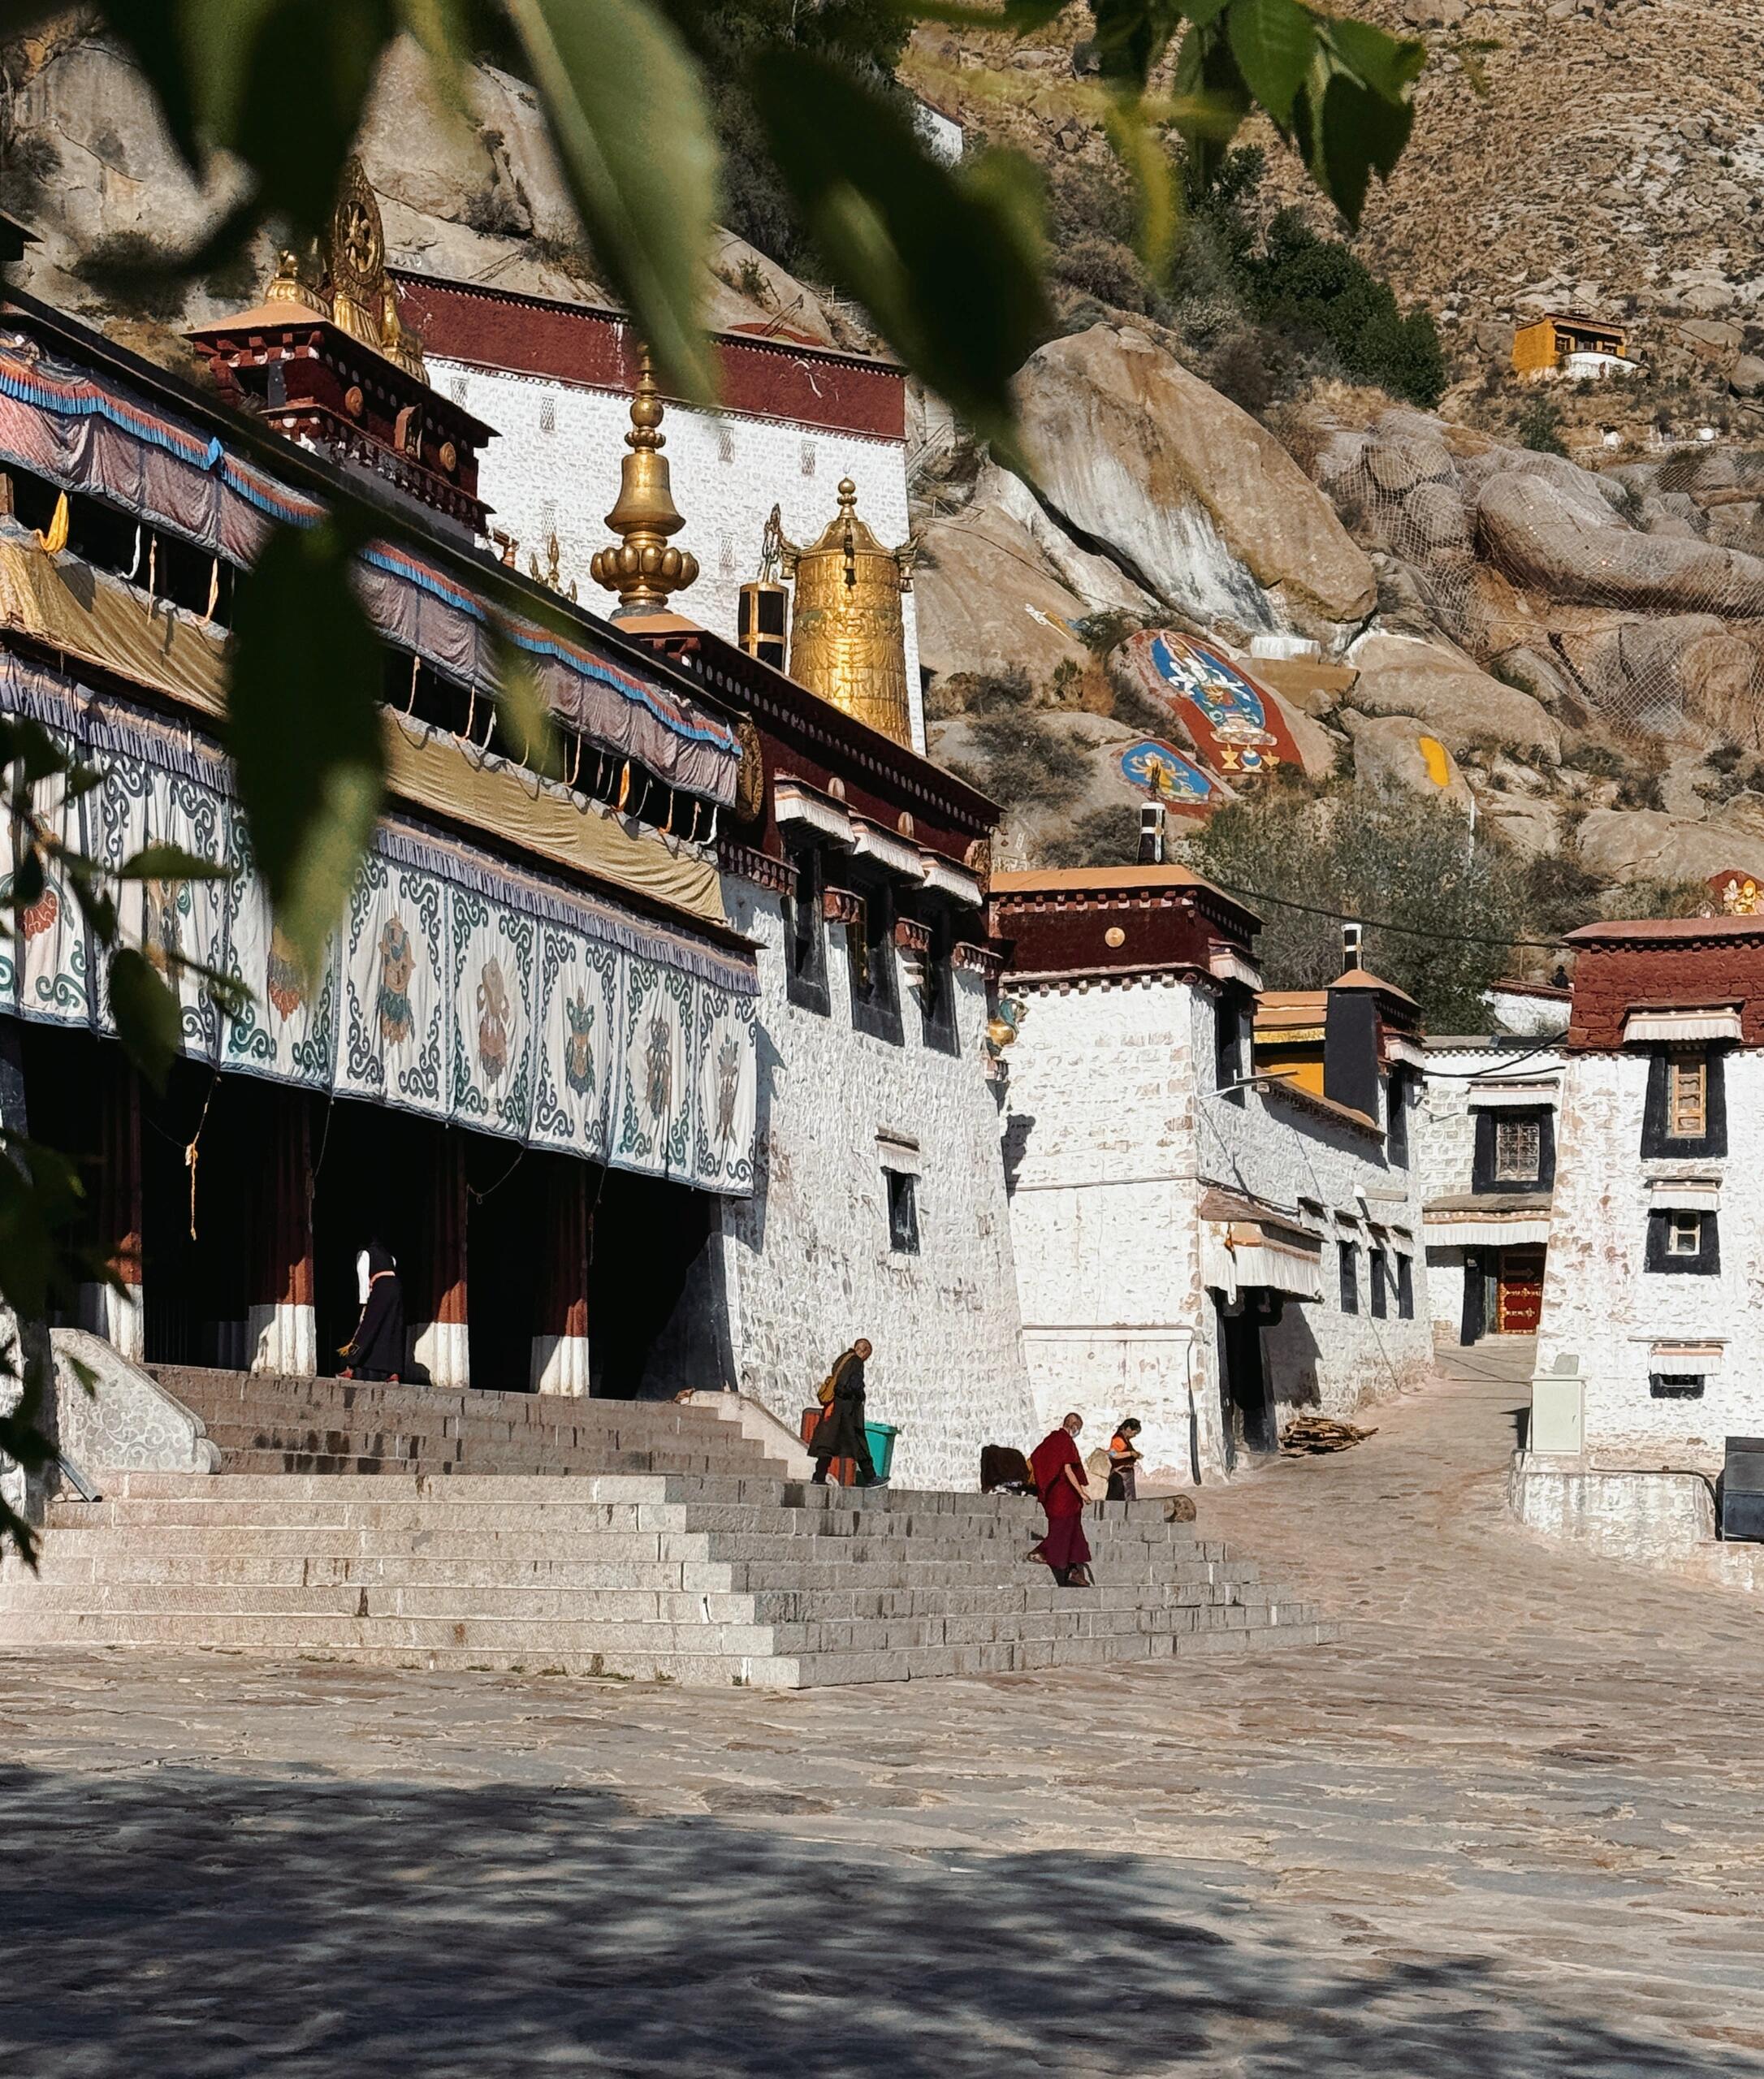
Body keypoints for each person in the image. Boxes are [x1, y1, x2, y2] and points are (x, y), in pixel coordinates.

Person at [1029, 1411, 1093, 1587]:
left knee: (1072, 1532)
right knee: (1063, 1532)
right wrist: (1081, 1493)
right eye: (1078, 1429)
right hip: (1064, 1495)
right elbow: (1067, 1469)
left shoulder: (1051, 1439)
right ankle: (1041, 1552)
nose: (1077, 1432)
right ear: (1074, 1427)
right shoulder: (1064, 1441)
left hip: (1053, 1494)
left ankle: (1073, 1571)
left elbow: (1037, 1457)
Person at [810, 1338, 876, 1486]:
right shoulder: (856, 1363)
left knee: (827, 1444)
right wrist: (861, 1395)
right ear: (863, 1350)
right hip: (847, 1412)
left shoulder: (842, 1360)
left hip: (834, 1410)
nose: (866, 1359)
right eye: (867, 1355)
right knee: (859, 1443)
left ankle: (818, 1476)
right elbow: (854, 1385)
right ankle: (871, 1477)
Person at [339, 1238, 404, 1383]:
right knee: (391, 1329)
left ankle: (351, 1367)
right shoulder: (390, 1257)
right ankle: (394, 1374)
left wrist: (364, 1307)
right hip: (396, 1290)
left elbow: (364, 1283)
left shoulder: (364, 1254)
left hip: (380, 1289)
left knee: (366, 1329)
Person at [1106, 1417, 1144, 1502]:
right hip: (1119, 1477)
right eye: (1135, 1433)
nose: (1135, 1435)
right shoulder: (1118, 1440)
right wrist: (1130, 1454)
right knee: (1117, 1502)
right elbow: (1113, 1454)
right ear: (1128, 1428)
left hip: (1126, 1476)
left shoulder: (1125, 1440)